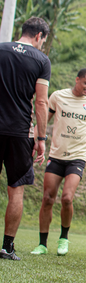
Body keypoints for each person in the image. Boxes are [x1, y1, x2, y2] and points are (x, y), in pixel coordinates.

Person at [31, 68, 86, 256]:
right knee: (47, 198)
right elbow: (44, 119)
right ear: (77, 79)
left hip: (77, 157)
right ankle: (42, 244)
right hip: (56, 155)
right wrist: (37, 139)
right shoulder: (58, 97)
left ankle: (63, 239)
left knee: (67, 198)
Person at [0, 17, 51, 261]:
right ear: (39, 36)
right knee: (16, 189)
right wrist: (41, 138)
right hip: (19, 132)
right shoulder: (41, 60)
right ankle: (7, 247)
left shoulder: (1, 49)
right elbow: (41, 102)